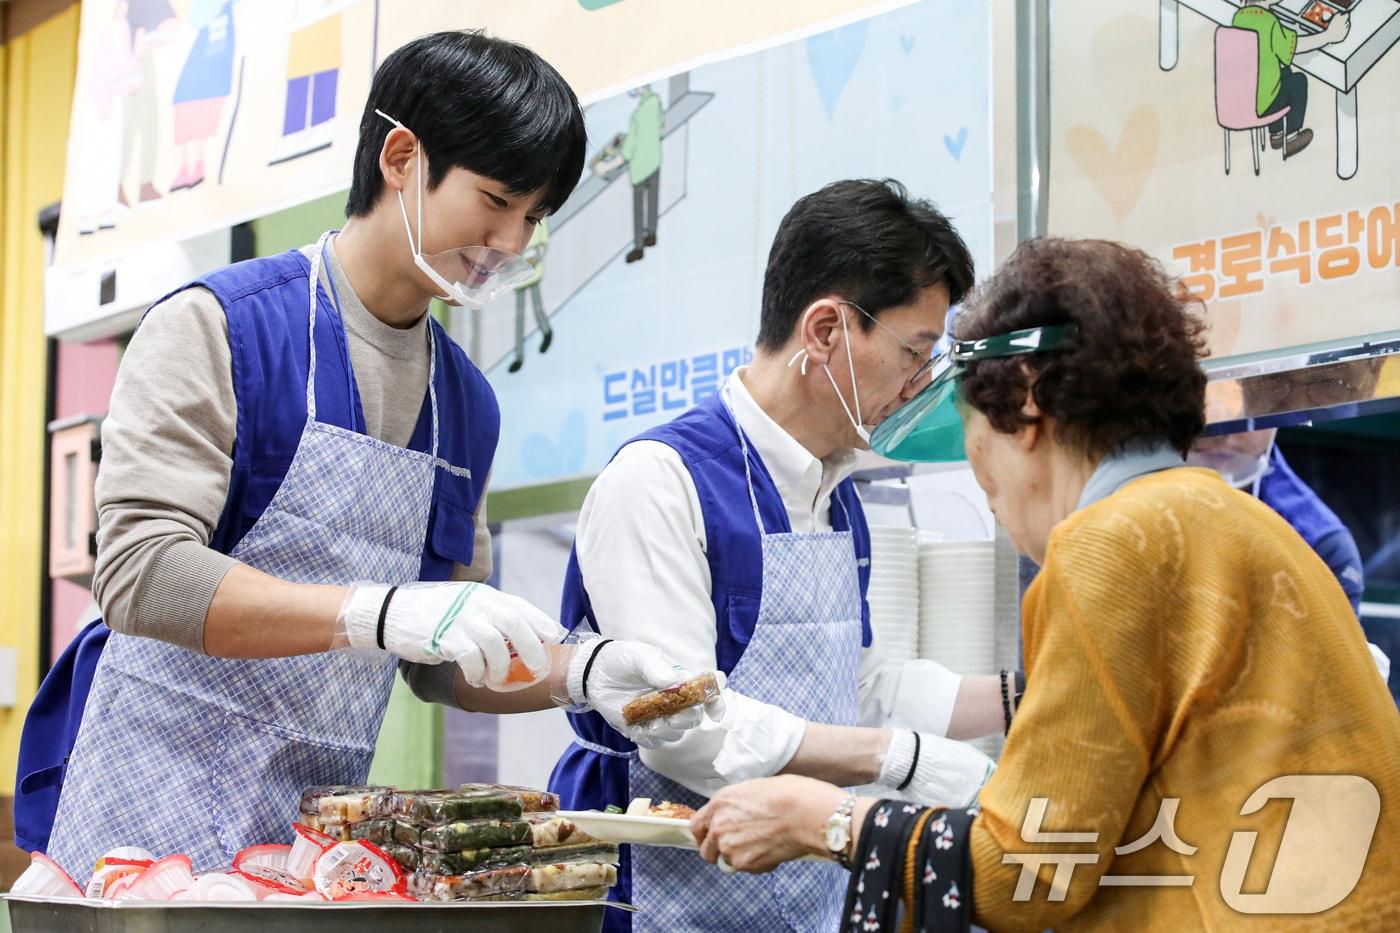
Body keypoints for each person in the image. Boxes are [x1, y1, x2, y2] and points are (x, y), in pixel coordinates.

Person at [17, 31, 706, 880]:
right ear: (401, 157)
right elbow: (141, 574)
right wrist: (377, 611)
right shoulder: (220, 327)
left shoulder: (464, 407)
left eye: (532, 217)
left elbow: (447, 663)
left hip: (319, 849)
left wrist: (585, 669)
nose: (511, 240)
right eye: (495, 200)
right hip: (145, 821)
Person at [691, 238, 1400, 931]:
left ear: (1026, 403)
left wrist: (824, 818)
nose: (987, 489)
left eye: (974, 444)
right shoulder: (1249, 525)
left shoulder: (1111, 542)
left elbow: (1025, 872)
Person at [551, 180, 1011, 933]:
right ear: (826, 329)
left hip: (799, 894)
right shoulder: (661, 481)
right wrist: (895, 759)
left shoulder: (838, 494)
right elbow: (684, 726)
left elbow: (861, 689)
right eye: (913, 353)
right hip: (661, 894)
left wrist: (1021, 695)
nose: (919, 385)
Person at [1231, 0, 1350, 159]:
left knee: (1285, 72)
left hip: (1248, 95)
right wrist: (1329, 35)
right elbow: (1296, 47)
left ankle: (1277, 133)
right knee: (1298, 81)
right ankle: (1291, 137)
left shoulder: (1240, 17)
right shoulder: (1269, 22)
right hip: (1264, 101)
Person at [622, 84, 662, 263]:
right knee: (653, 199)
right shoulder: (655, 102)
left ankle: (639, 246)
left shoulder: (637, 115)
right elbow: (661, 127)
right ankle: (651, 234)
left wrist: (604, 166)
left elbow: (628, 150)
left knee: (639, 209)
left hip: (639, 167)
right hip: (654, 160)